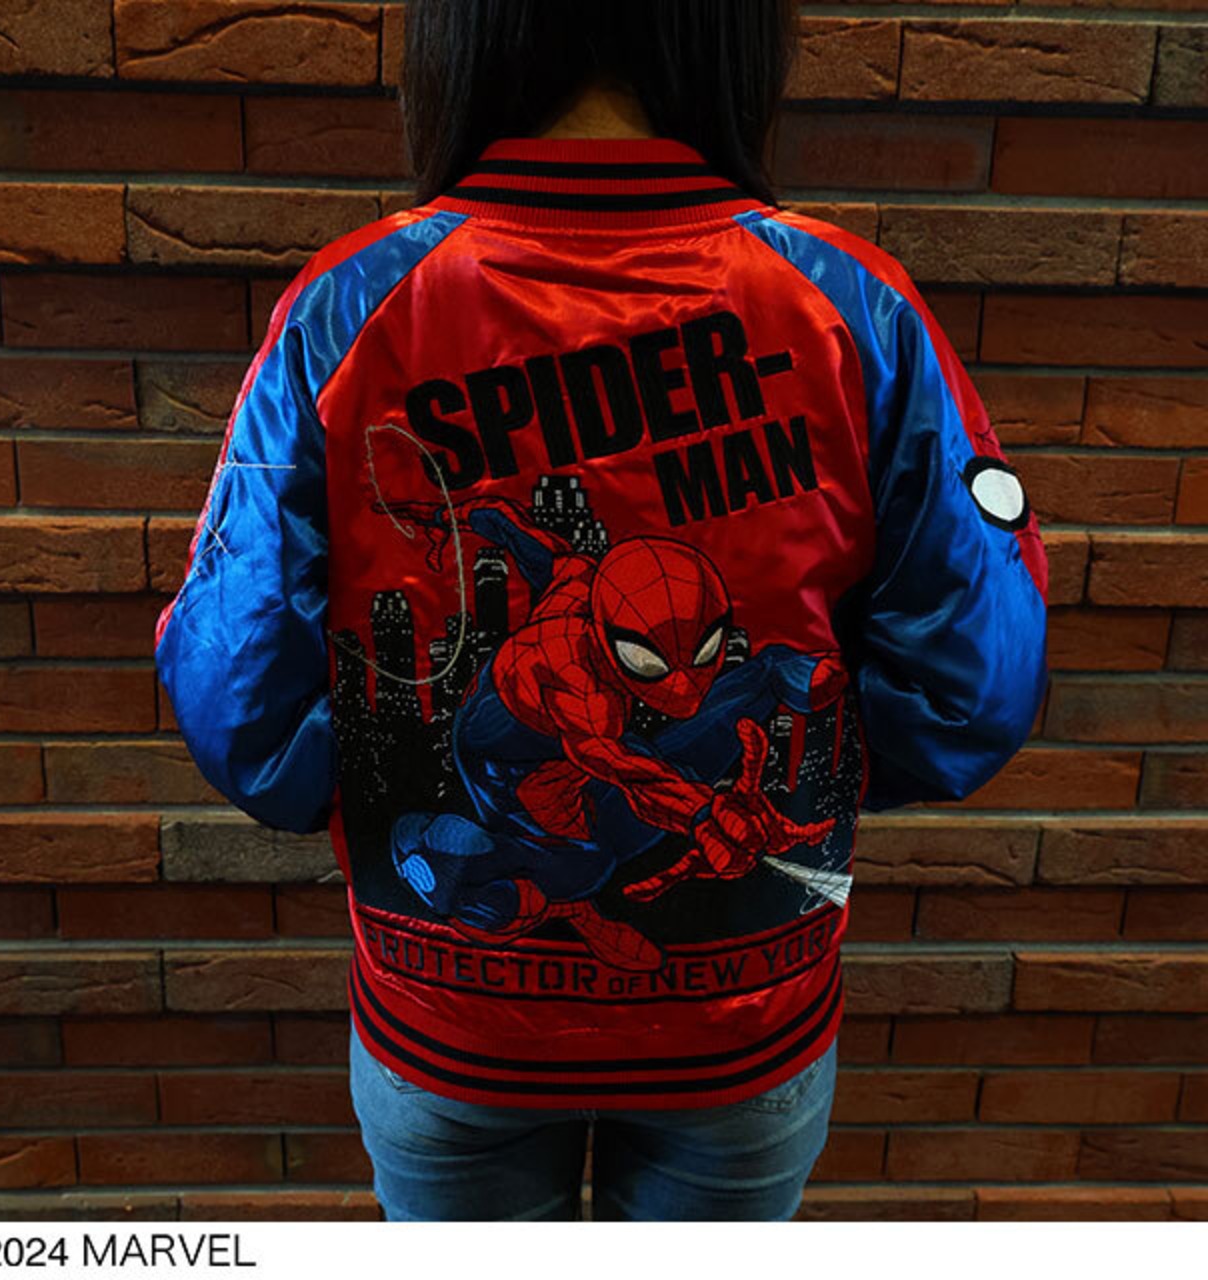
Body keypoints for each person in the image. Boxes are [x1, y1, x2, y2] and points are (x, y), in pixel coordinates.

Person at [154, 0, 1049, 1222]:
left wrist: (354, 777)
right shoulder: (853, 305)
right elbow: (970, 686)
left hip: (453, 1021)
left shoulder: (347, 305)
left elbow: (241, 705)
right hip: (732, 1016)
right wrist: (790, 787)